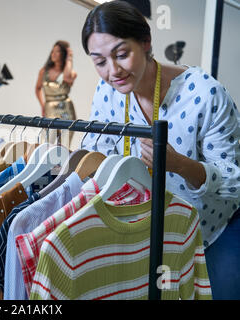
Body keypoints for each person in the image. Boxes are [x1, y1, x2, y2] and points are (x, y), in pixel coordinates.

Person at [81, 1, 239, 299]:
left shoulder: (205, 94)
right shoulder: (106, 92)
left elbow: (235, 182)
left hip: (212, 229)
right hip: (146, 231)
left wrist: (180, 165)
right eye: (99, 61)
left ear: (146, 43)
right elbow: (97, 152)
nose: (113, 71)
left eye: (122, 54)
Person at [35, 40, 77, 145]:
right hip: (50, 109)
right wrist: (42, 105)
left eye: (57, 51)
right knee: (48, 144)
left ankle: (64, 161)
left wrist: (69, 59)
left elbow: (67, 77)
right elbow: (38, 88)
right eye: (52, 51)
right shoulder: (44, 71)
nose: (53, 54)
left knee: (64, 145)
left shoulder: (71, 73)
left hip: (66, 110)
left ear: (63, 54)